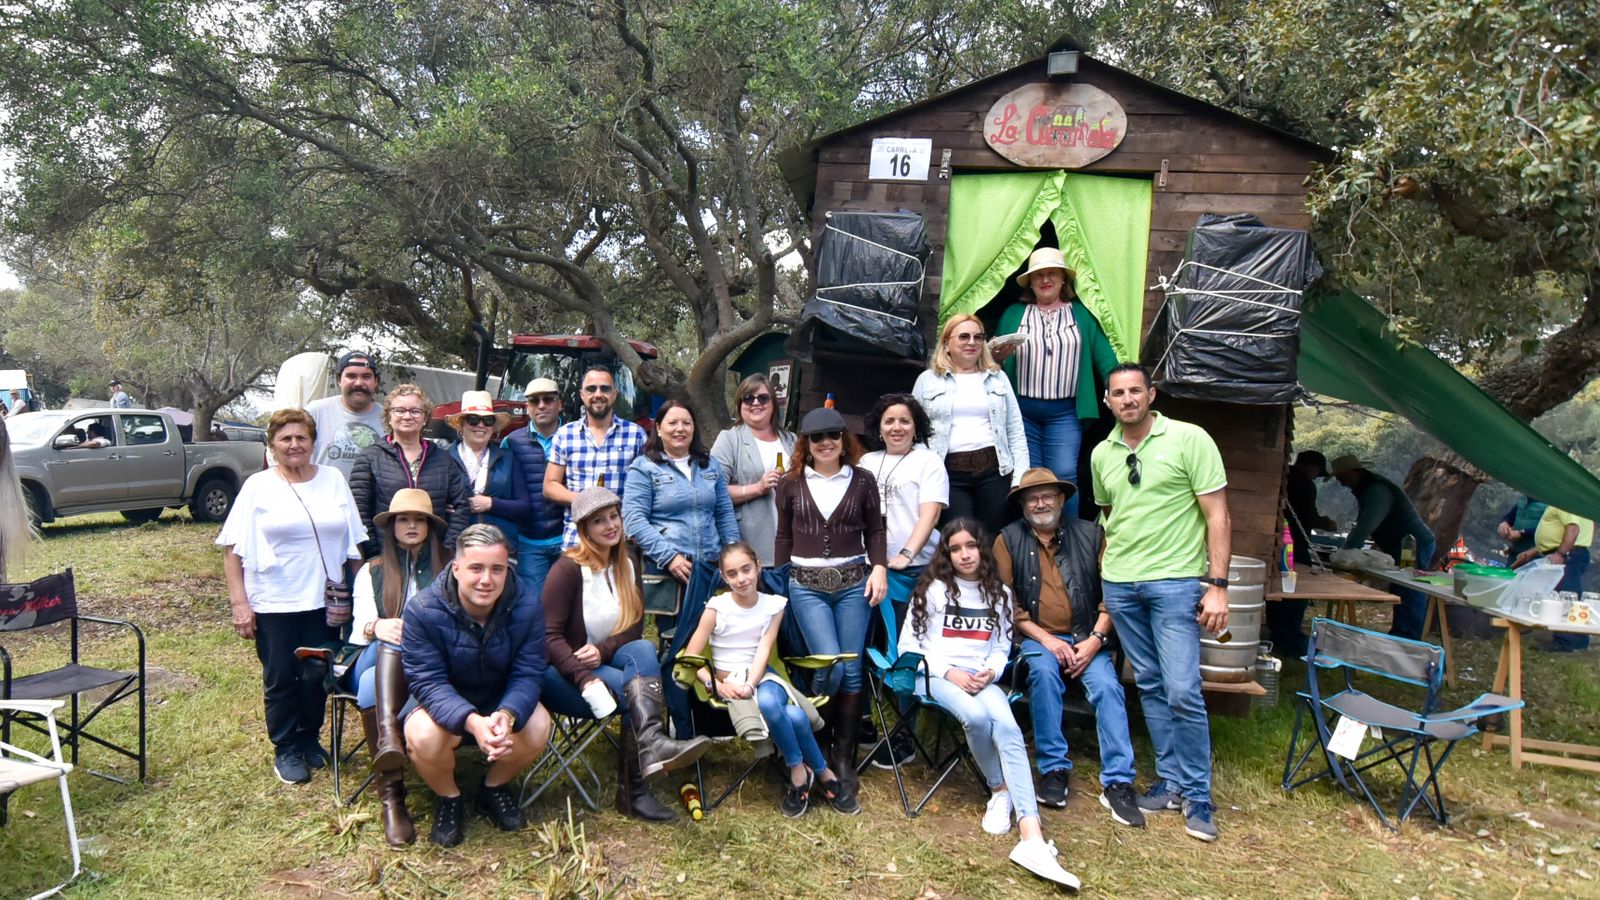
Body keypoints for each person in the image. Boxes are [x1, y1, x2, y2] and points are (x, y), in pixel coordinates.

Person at [898, 520, 1081, 889]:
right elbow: (909, 648)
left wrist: (992, 672)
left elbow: (1000, 648)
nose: (965, 554)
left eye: (971, 546)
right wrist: (950, 673)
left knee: (1009, 727)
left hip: (980, 678)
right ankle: (999, 790)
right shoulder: (933, 590)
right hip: (936, 675)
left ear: (982, 549)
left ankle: (1031, 836)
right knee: (976, 717)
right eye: (955, 548)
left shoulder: (999, 593)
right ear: (947, 555)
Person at [1090, 363, 1230, 843]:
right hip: (1121, 584)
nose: (1127, 399)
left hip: (1174, 581)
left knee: (1182, 690)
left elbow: (1218, 515)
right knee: (1149, 683)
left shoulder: (1190, 439)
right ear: (1107, 401)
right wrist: (1107, 573)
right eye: (1118, 393)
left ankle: (1198, 795)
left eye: (1135, 391)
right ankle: (1171, 783)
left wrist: (1218, 585)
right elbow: (1111, 515)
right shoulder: (1102, 453)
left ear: (1151, 394)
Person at [542, 486, 712, 821]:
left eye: (614, 516)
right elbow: (547, 637)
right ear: (584, 528)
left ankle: (646, 755)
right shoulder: (567, 570)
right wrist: (584, 674)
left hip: (605, 660)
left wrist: (602, 650)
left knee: (644, 648)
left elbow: (634, 627)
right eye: (599, 521)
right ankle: (637, 785)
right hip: (564, 672)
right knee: (640, 691)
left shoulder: (627, 562)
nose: (610, 525)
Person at [217, 408, 367, 785]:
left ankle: (309, 738)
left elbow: (354, 543)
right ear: (272, 446)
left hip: (325, 601)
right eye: (285, 438)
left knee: (316, 674)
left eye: (302, 437)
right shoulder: (258, 486)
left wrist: (364, 596)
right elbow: (232, 549)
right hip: (275, 601)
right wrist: (240, 604)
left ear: (314, 443)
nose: (294, 444)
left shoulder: (333, 479)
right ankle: (285, 747)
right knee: (281, 677)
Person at [994, 467, 1140, 826]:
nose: (1040, 503)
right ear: (1023, 505)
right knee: (1043, 675)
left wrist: (1095, 640)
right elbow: (1005, 603)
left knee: (1107, 687)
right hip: (1036, 637)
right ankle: (1053, 769)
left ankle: (1119, 781)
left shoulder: (1092, 535)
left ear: (1061, 499)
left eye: (1047, 496)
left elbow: (1114, 592)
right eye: (1032, 498)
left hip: (1087, 636)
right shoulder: (1008, 540)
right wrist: (1045, 639)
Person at [402, 525, 553, 847]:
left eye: (497, 569)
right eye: (476, 568)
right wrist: (471, 721)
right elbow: (427, 681)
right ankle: (449, 797)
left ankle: (493, 787)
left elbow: (529, 672)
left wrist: (508, 714)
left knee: (538, 724)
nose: (487, 579)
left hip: (500, 697)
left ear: (507, 568)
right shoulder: (422, 609)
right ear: (456, 568)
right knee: (423, 736)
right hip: (442, 699)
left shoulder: (527, 604)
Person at [682, 542, 855, 817]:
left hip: (763, 676)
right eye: (732, 573)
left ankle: (797, 772)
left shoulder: (773, 605)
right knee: (793, 716)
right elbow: (689, 657)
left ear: (758, 567)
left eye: (746, 569)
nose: (741, 578)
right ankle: (825, 774)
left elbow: (764, 648)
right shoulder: (716, 607)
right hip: (728, 683)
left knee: (770, 703)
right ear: (724, 577)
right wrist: (716, 685)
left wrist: (751, 683)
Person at [773, 405, 887, 800]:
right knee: (828, 665)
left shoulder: (863, 480)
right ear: (806, 443)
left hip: (854, 584)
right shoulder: (790, 483)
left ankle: (842, 756)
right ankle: (816, 742)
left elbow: (875, 531)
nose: (826, 443)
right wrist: (780, 582)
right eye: (817, 437)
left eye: (833, 435)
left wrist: (879, 568)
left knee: (852, 671)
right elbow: (783, 536)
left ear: (844, 439)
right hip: (805, 586)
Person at [348, 488, 446, 846]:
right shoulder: (372, 570)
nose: (411, 525)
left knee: (377, 676)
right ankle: (392, 798)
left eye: (419, 519)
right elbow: (359, 630)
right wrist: (378, 626)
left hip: (431, 665)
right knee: (388, 646)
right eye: (404, 519)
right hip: (374, 656)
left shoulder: (449, 568)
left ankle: (391, 789)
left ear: (430, 526)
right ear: (392, 526)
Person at [991, 247, 1120, 517]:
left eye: (1052, 273)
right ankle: (1033, 537)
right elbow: (990, 363)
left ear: (1064, 279)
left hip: (1065, 412)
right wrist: (997, 358)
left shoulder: (1082, 314)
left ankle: (1069, 536)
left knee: (1063, 474)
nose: (1046, 279)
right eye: (1039, 275)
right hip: (1021, 412)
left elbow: (1105, 359)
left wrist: (1119, 388)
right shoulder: (1013, 314)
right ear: (1030, 282)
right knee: (1030, 478)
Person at [913, 314, 1029, 538]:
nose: (972, 342)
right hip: (948, 473)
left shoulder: (998, 378)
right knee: (960, 537)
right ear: (946, 344)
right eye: (964, 336)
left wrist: (1019, 478)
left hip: (995, 470)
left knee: (993, 539)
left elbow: (1015, 430)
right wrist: (925, 475)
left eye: (978, 337)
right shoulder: (927, 380)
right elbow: (916, 433)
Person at [349, 383, 471, 561]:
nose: (407, 416)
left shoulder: (443, 459)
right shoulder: (370, 457)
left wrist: (447, 549)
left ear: (425, 418)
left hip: (433, 559)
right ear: (389, 416)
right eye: (399, 410)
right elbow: (359, 511)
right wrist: (375, 553)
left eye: (415, 411)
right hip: (385, 555)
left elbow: (461, 506)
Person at [1328, 454, 1435, 639]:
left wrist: (1347, 551)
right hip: (1400, 545)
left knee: (1410, 589)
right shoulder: (1367, 489)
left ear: (1353, 472)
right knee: (1400, 588)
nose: (1342, 484)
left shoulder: (1378, 490)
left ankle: (1409, 637)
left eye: (1342, 478)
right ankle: (1401, 633)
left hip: (1413, 544)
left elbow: (1367, 524)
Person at [543, 363, 647, 548]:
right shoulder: (565, 434)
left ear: (614, 394)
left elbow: (646, 489)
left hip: (620, 541)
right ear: (582, 395)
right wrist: (586, 501)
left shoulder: (636, 435)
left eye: (605, 389)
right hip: (577, 540)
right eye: (591, 389)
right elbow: (550, 486)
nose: (598, 394)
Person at [710, 373, 796, 566]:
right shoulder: (729, 439)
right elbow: (713, 490)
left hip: (794, 546)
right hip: (752, 547)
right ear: (740, 404)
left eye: (763, 398)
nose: (756, 403)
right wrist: (758, 488)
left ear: (773, 403)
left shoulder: (791, 439)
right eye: (748, 398)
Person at [502, 377, 565, 593]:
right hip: (529, 541)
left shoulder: (575, 437)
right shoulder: (511, 442)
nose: (541, 405)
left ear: (559, 404)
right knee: (532, 602)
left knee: (568, 602)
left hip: (569, 538)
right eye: (534, 401)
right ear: (527, 407)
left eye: (548, 399)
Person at [446, 390, 529, 551]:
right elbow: (430, 502)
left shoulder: (509, 458)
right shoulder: (444, 458)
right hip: (454, 548)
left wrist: (491, 504)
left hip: (499, 549)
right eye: (473, 419)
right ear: (462, 424)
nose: (481, 425)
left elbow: (524, 507)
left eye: (488, 420)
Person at [1276, 450, 1336, 655]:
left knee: (1278, 593)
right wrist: (1326, 523)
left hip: (1278, 542)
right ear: (1313, 467)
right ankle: (1292, 640)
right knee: (1297, 594)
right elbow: (1308, 516)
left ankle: (1278, 636)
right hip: (1295, 544)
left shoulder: (1285, 475)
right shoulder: (1305, 483)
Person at [1514, 504, 1594, 652]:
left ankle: (1565, 642)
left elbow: (1573, 529)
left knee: (1566, 597)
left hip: (1568, 555)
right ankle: (1578, 639)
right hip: (1567, 553)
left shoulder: (1566, 501)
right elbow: (1557, 533)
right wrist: (1533, 551)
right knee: (1567, 597)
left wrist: (1560, 554)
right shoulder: (1569, 502)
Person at [304, 351, 386, 480]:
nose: (358, 383)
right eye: (351, 376)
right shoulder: (315, 412)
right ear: (339, 380)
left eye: (366, 377)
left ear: (376, 381)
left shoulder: (389, 418)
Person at [1498, 495, 1549, 560]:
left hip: (1536, 555)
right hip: (1515, 551)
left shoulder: (1549, 505)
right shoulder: (1523, 499)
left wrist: (1522, 533)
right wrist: (1504, 522)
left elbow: (1548, 529)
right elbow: (1511, 516)